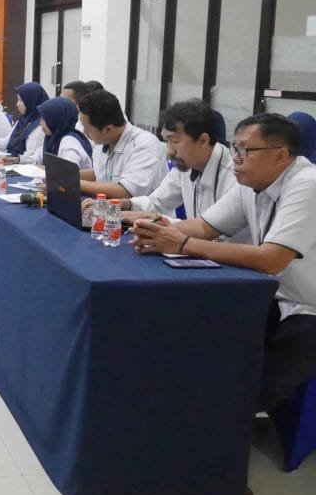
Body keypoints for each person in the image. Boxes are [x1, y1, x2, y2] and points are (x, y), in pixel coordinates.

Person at [131, 113, 316, 411]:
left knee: (255, 385)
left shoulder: (307, 185)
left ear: (280, 155)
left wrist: (181, 244)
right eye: (235, 148)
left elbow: (271, 259)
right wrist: (154, 231)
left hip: (309, 307)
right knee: (209, 338)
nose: (236, 159)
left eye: (246, 150)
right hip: (276, 295)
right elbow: (205, 226)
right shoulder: (251, 183)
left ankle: (233, 423)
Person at [110, 100, 236, 221]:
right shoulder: (186, 165)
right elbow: (157, 202)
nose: (169, 151)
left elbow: (210, 230)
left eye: (174, 141)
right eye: (166, 141)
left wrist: (157, 221)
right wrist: (126, 204)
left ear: (202, 141)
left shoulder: (234, 178)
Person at [78, 88, 168, 198]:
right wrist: (69, 176)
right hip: (108, 207)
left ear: (108, 130)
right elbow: (102, 174)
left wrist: (76, 184)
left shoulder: (145, 145)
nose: (84, 132)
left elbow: (125, 192)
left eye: (87, 128)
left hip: (140, 208)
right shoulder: (103, 142)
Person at [0, 82, 49, 163]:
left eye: (21, 100)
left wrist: (12, 160)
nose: (17, 104)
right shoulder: (23, 120)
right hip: (11, 160)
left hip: (21, 167)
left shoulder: (40, 126)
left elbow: (30, 158)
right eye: (18, 100)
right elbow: (6, 142)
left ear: (31, 101)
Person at [30, 96, 93, 169]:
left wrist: (41, 168)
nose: (40, 123)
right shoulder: (53, 139)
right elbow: (35, 159)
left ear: (55, 120)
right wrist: (20, 159)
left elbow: (66, 169)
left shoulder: (70, 141)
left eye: (44, 119)